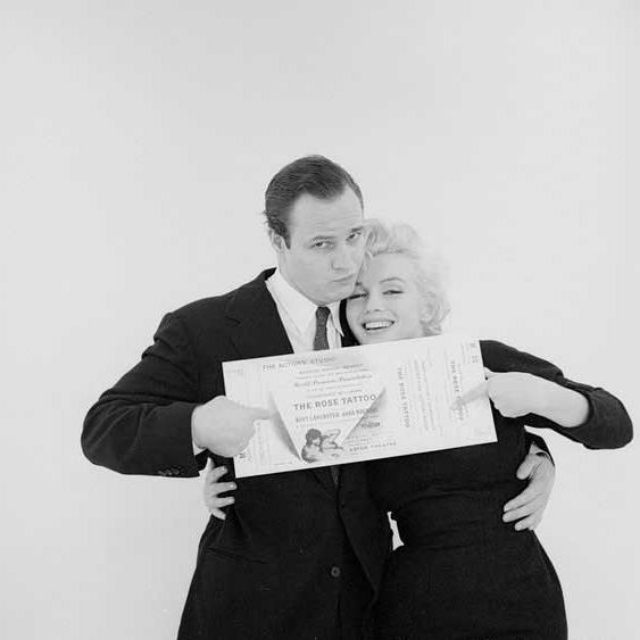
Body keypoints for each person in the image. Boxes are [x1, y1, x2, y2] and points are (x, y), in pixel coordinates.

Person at [82, 156, 556, 640]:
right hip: (251, 606)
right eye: (322, 244)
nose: (346, 262)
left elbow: (438, 413)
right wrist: (198, 425)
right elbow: (105, 427)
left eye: (354, 237)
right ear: (277, 240)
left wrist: (535, 453)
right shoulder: (202, 328)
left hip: (363, 607)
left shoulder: (374, 327)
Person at [205, 220, 632, 640]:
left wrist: (541, 400)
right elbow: (298, 471)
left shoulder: (480, 358)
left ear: (426, 305)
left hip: (516, 594)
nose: (373, 305)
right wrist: (220, 478)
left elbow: (616, 426)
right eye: (358, 294)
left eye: (393, 290)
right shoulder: (341, 391)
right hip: (412, 605)